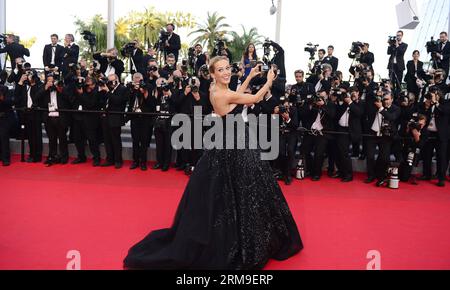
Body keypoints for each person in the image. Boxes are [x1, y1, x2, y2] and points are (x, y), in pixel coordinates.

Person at [124, 56, 303, 270]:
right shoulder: (221, 94)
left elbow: (236, 95)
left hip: (233, 140)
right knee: (243, 190)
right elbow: (253, 99)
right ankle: (239, 237)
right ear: (212, 74)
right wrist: (269, 81)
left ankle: (240, 230)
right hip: (234, 146)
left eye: (227, 68)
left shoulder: (215, 90)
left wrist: (250, 76)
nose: (226, 72)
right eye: (220, 70)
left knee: (238, 191)